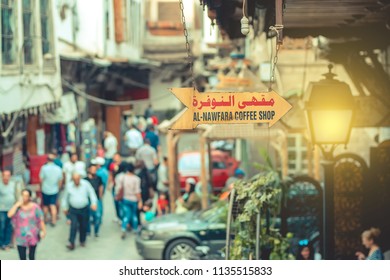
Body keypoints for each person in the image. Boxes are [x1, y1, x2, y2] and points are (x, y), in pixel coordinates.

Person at [62, 173, 98, 250]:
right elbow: (65, 198)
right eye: (75, 180)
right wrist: (64, 207)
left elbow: (91, 193)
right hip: (73, 209)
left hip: (84, 208)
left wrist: (93, 203)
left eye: (77, 179)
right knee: (73, 225)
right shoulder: (69, 186)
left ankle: (82, 240)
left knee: (83, 225)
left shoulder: (86, 184)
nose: (76, 181)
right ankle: (71, 242)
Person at [7, 189, 46, 260]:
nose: (24, 197)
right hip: (20, 237)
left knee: (32, 256)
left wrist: (43, 231)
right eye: (23, 195)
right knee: (22, 257)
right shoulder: (18, 207)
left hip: (33, 235)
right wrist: (17, 205)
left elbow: (41, 219)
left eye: (26, 196)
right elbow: (9, 215)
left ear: (30, 197)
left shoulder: (35, 207)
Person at [115, 163, 142, 239]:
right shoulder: (136, 179)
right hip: (133, 199)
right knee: (134, 215)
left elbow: (118, 188)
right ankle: (135, 229)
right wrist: (140, 200)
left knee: (126, 215)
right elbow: (137, 191)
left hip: (125, 199)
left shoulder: (122, 177)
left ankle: (123, 228)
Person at [39, 154, 63, 226]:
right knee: (53, 205)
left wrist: (41, 187)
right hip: (54, 189)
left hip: (45, 189)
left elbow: (41, 179)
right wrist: (58, 188)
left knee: (45, 205)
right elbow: (60, 180)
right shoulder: (58, 169)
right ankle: (54, 220)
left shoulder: (44, 168)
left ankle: (45, 219)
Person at [0, 170, 20, 250]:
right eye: (4, 175)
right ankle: (2, 243)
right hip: (2, 209)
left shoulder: (12, 184)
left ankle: (7, 243)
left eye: (8, 175)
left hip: (11, 209)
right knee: (2, 226)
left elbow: (16, 195)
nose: (6, 177)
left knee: (9, 226)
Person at [85, 165, 104, 237]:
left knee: (98, 216)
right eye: (92, 169)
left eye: (95, 169)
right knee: (88, 217)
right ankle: (88, 230)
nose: (93, 171)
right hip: (88, 200)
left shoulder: (98, 178)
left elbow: (101, 187)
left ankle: (96, 231)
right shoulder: (85, 180)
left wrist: (100, 197)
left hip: (96, 199)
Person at [109, 155, 124, 222]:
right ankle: (118, 216)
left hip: (122, 187)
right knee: (116, 202)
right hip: (115, 186)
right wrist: (109, 184)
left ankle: (122, 217)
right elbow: (111, 174)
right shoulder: (112, 165)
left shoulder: (122, 165)